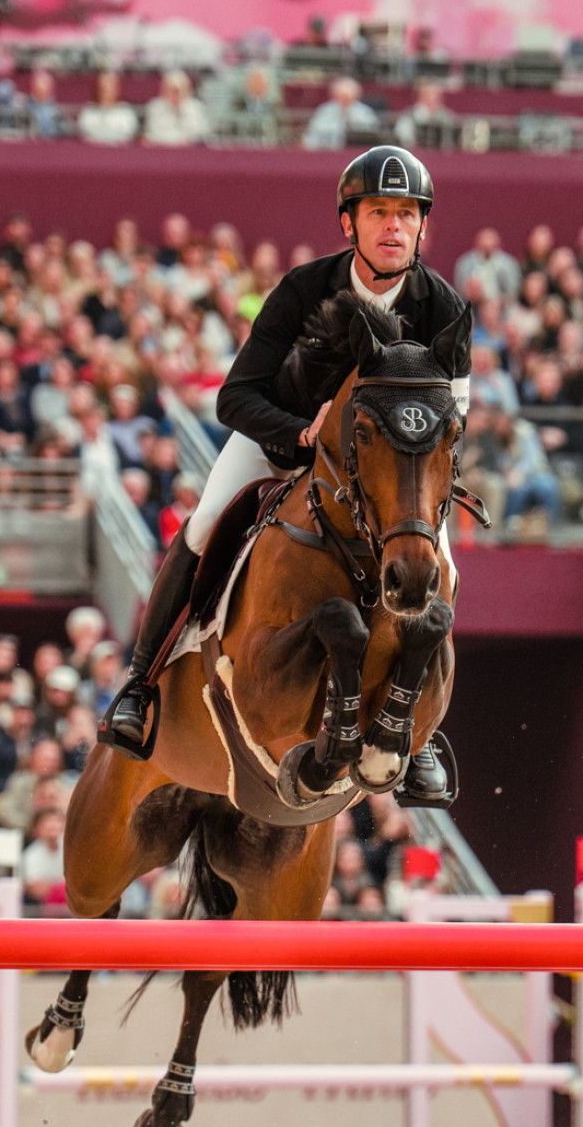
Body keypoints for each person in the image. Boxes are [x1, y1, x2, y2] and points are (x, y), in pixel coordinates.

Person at [98, 145, 464, 807]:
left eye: (407, 214)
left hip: (389, 471)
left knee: (442, 566)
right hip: (280, 443)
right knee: (206, 523)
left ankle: (422, 732)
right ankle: (139, 685)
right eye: (379, 212)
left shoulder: (443, 306)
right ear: (349, 224)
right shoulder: (302, 289)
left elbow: (453, 411)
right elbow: (233, 396)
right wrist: (302, 430)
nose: (394, 227)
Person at [302, 77, 379, 150]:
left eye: (348, 98)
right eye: (341, 97)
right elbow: (312, 135)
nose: (344, 101)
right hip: (328, 152)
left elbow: (372, 134)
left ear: (356, 97)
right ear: (334, 96)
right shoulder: (324, 111)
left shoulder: (365, 112)